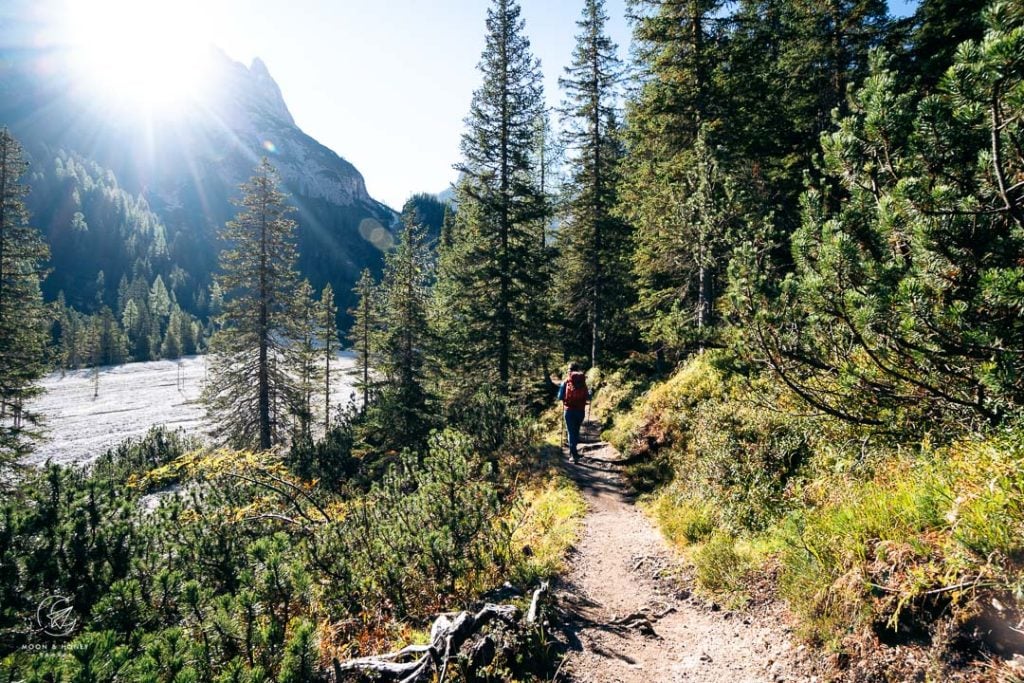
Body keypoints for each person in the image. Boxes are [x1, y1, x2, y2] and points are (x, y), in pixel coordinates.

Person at [557, 363, 589, 462]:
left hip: (569, 411)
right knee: (576, 431)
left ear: (569, 370)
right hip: (580, 411)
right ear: (577, 369)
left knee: (571, 432)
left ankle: (573, 455)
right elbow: (588, 396)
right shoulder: (582, 382)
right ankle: (574, 452)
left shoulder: (565, 382)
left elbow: (559, 397)